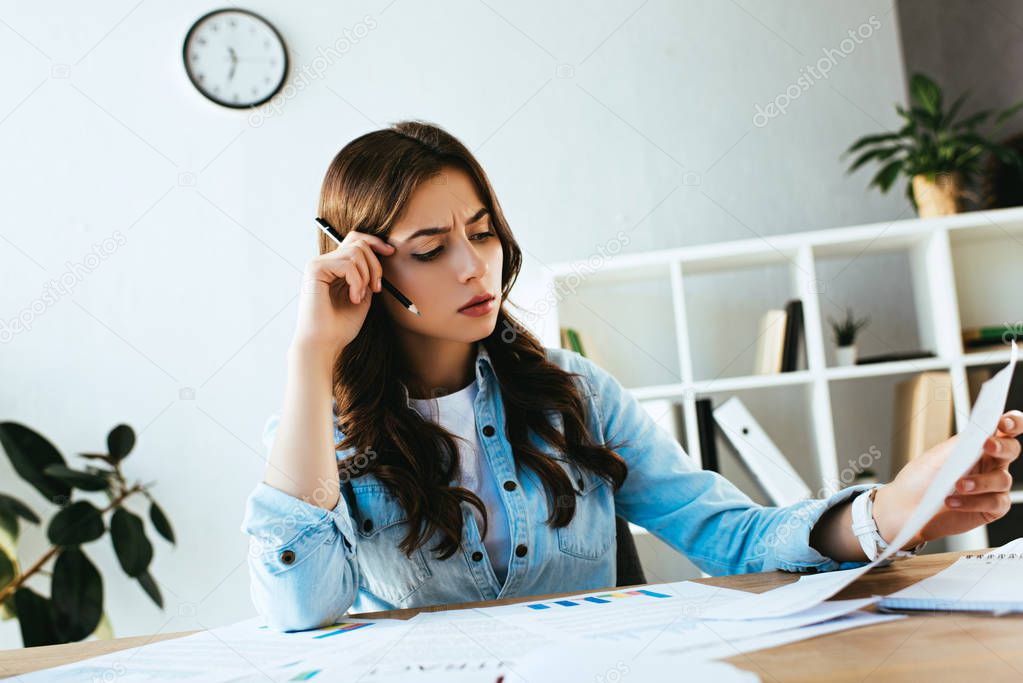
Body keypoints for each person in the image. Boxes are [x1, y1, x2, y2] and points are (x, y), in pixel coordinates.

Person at [240, 120, 1022, 632]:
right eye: (429, 246)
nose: (474, 265)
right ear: (364, 265)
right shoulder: (314, 432)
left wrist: (890, 508)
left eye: (481, 232)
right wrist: (312, 355)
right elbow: (302, 609)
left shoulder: (572, 392)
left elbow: (728, 534)